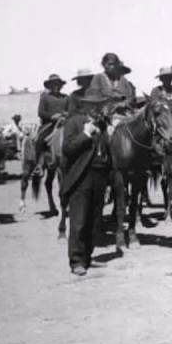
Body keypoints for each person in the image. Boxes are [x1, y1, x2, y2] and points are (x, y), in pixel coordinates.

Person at [60, 92, 114, 276]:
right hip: (81, 177)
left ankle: (88, 258)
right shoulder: (74, 122)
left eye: (100, 105)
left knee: (94, 221)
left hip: (99, 178)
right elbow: (67, 148)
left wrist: (108, 181)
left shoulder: (103, 125)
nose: (97, 108)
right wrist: (85, 134)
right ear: (85, 105)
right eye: (93, 105)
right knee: (79, 222)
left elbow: (106, 153)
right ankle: (76, 261)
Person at [86, 53, 137, 137]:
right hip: (103, 116)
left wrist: (124, 103)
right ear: (103, 65)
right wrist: (108, 105)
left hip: (123, 114)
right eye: (109, 64)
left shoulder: (123, 80)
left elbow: (130, 97)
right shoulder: (98, 78)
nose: (112, 67)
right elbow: (94, 98)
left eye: (114, 64)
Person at [34, 73, 70, 162]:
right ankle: (38, 164)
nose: (56, 86)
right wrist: (51, 116)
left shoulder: (66, 97)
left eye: (58, 84)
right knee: (40, 140)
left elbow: (71, 110)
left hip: (64, 123)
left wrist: (65, 114)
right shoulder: (45, 97)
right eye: (53, 84)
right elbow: (40, 112)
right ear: (49, 86)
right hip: (49, 124)